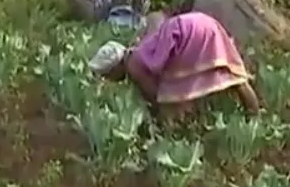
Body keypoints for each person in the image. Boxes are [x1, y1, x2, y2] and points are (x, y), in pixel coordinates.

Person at [88, 11, 261, 119]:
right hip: (204, 23)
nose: (109, 79)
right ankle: (255, 116)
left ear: (115, 67)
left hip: (187, 34)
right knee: (236, 77)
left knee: (170, 100)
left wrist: (158, 121)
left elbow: (157, 96)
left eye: (107, 74)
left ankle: (180, 132)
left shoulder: (133, 65)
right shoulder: (141, 48)